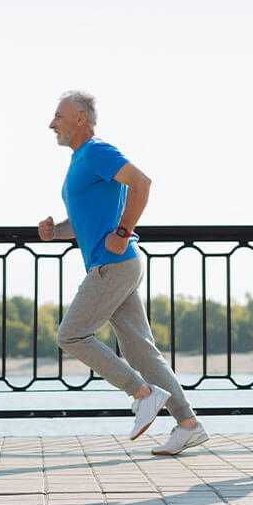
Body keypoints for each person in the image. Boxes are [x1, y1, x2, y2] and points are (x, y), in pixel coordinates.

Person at [39, 90, 208, 455]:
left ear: (80, 118)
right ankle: (188, 423)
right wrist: (58, 231)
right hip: (117, 263)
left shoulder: (97, 151)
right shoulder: (80, 160)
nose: (52, 123)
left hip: (114, 263)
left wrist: (123, 231)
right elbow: (87, 222)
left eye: (58, 116)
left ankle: (142, 392)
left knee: (71, 335)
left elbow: (142, 182)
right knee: (141, 350)